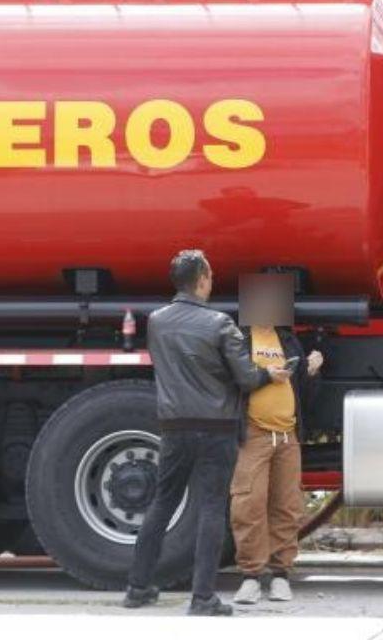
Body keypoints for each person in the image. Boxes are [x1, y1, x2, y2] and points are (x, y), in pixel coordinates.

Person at [124, 250, 289, 616]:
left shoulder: (157, 321)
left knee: (162, 502)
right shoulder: (220, 324)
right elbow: (246, 378)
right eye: (210, 275)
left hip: (174, 425)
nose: (212, 281)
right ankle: (202, 598)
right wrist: (270, 375)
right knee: (211, 507)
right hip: (216, 427)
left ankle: (137, 588)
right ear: (201, 279)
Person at [230, 274, 324, 605]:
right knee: (248, 504)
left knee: (287, 506)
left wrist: (311, 372)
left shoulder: (289, 341)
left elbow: (304, 395)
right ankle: (251, 576)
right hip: (254, 433)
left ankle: (281, 574)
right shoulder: (239, 340)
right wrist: (268, 376)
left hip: (287, 434)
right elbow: (234, 381)